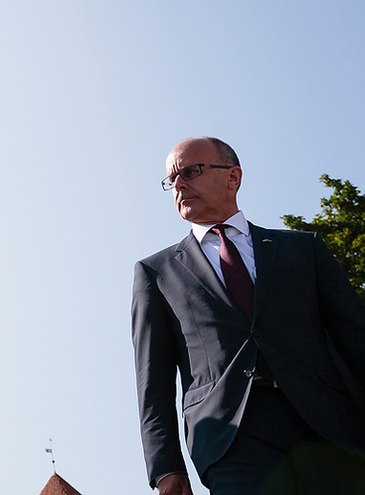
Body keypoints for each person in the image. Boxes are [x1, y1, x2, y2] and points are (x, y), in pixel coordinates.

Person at [132, 137, 365, 495]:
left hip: (329, 427)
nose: (179, 184)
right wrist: (165, 467)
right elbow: (154, 381)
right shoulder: (156, 273)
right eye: (172, 179)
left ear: (233, 176)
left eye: (190, 171)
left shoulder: (304, 249)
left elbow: (355, 338)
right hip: (231, 440)